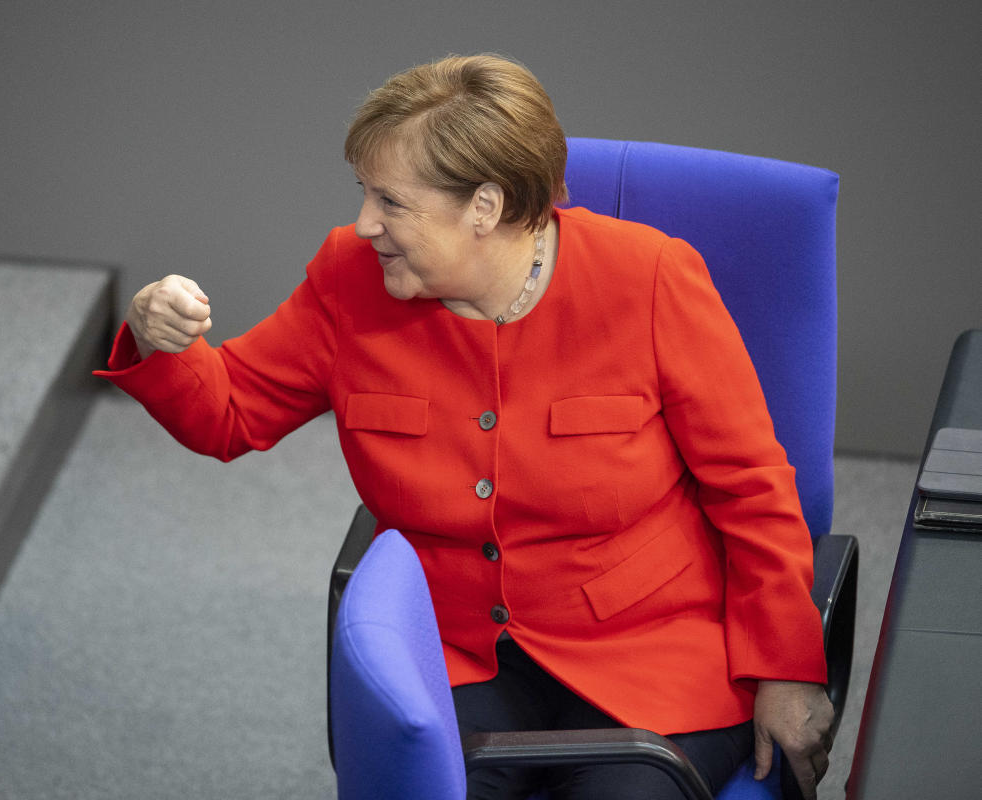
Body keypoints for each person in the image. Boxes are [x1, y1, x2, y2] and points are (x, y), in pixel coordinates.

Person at [95, 54, 834, 799]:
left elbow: (751, 488)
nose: (365, 224)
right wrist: (162, 340)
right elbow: (228, 414)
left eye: (392, 202)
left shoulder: (648, 279)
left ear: (485, 207)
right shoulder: (348, 278)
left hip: (651, 647)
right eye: (364, 193)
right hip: (458, 648)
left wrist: (788, 666)